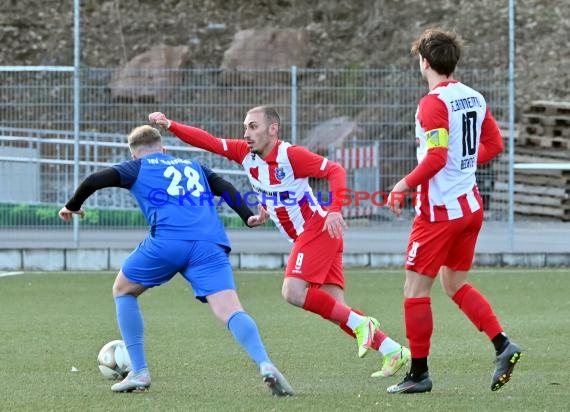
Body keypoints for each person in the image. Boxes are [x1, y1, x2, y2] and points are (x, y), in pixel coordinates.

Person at [149, 107, 411, 379]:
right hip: (315, 236)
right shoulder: (245, 154)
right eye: (245, 127)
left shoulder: (291, 156)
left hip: (318, 229)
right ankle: (393, 350)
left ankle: (364, 324)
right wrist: (172, 125)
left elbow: (335, 170)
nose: (246, 134)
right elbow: (210, 142)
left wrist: (335, 209)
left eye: (253, 127)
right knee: (338, 311)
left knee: (293, 292)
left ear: (273, 129)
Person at [58, 125, 293, 396]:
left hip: (168, 242)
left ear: (135, 155)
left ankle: (140, 371)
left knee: (123, 290)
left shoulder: (136, 167)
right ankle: (265, 363)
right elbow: (224, 186)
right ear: (164, 148)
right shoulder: (194, 166)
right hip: (209, 244)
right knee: (230, 309)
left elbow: (94, 180)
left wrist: (72, 206)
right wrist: (247, 216)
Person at [385, 28, 521, 394]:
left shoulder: (432, 102)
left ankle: (418, 374)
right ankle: (503, 344)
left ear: (424, 62)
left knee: (414, 289)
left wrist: (403, 184)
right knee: (454, 283)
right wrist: (463, 164)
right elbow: (495, 144)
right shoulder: (473, 97)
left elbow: (436, 158)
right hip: (471, 207)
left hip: (440, 212)